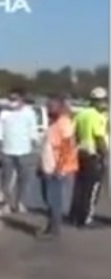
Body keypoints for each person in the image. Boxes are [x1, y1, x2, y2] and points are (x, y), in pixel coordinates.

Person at [38, 95, 78, 239]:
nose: (49, 109)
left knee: (54, 200)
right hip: (47, 166)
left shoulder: (64, 123)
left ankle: (54, 230)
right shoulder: (53, 123)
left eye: (52, 106)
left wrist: (59, 168)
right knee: (48, 199)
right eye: (48, 106)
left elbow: (67, 148)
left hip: (56, 168)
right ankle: (50, 226)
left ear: (60, 107)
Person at [69, 87, 109, 227]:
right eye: (103, 101)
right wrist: (105, 156)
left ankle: (74, 215)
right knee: (92, 189)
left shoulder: (81, 114)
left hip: (81, 154)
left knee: (79, 187)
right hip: (93, 156)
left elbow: (73, 133)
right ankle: (86, 217)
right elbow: (99, 138)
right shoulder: (97, 116)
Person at [0, 89, 39, 213]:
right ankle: (7, 202)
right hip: (7, 151)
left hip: (24, 151)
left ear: (21, 100)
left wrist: (34, 146)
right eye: (10, 99)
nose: (11, 102)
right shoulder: (4, 113)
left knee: (24, 179)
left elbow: (33, 130)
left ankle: (20, 202)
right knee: (6, 180)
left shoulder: (29, 113)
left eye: (14, 99)